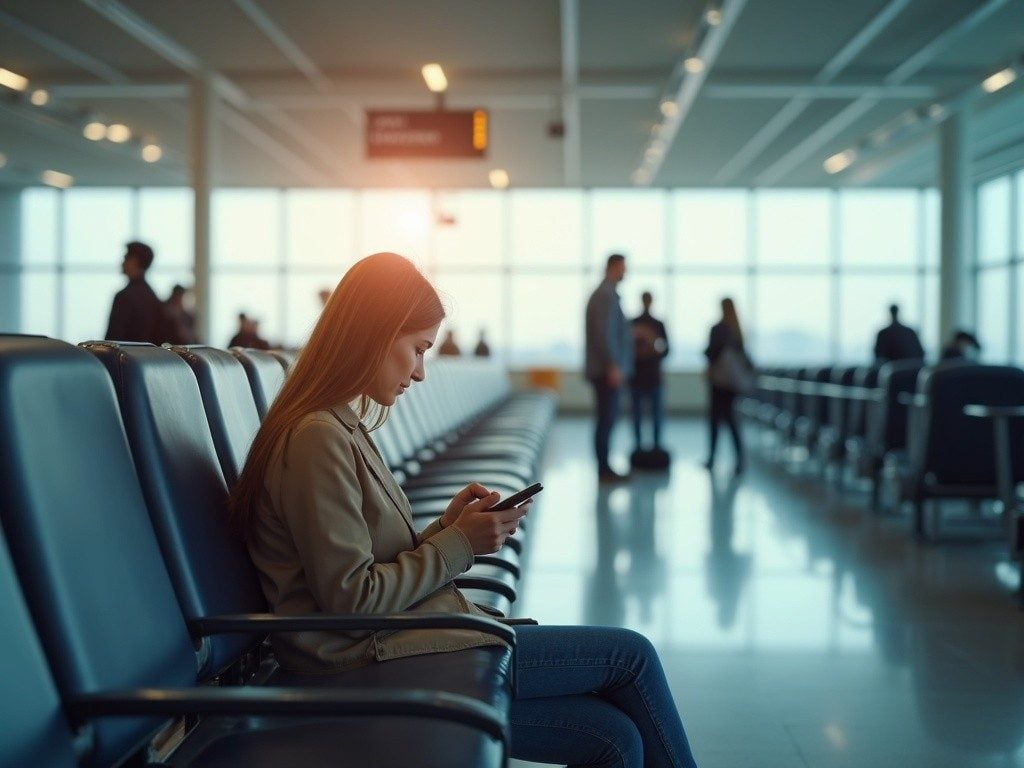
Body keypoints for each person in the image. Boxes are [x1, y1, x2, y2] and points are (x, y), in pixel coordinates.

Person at [229, 252, 699, 768]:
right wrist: (460, 545)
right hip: (355, 660)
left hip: (378, 643)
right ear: (375, 334)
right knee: (630, 656)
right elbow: (353, 599)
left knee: (613, 738)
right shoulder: (319, 437)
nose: (421, 372)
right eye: (417, 349)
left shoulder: (339, 426)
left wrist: (446, 529)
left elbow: (364, 563)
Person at [585, 253, 634, 483]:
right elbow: (604, 335)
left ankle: (604, 467)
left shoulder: (606, 294)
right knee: (606, 419)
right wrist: (613, 365)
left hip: (606, 369)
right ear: (614, 267)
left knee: (606, 419)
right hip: (606, 370)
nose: (626, 272)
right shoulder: (605, 295)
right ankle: (604, 469)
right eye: (623, 268)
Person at [704, 297, 751, 474]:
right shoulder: (736, 330)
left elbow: (711, 353)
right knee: (732, 420)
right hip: (732, 383)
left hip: (718, 381)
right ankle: (740, 460)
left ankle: (712, 458)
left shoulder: (718, 329)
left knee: (715, 420)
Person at [104, 241, 166, 344]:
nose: (122, 262)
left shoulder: (124, 297)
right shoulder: (152, 296)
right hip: (147, 357)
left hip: (123, 358)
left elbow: (112, 341)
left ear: (135, 261)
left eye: (126, 258)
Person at [630, 291, 670, 451]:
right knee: (637, 416)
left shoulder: (658, 324)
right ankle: (638, 446)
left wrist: (653, 351)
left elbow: (667, 350)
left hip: (653, 376)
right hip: (638, 376)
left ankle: (656, 446)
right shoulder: (633, 323)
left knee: (656, 416)